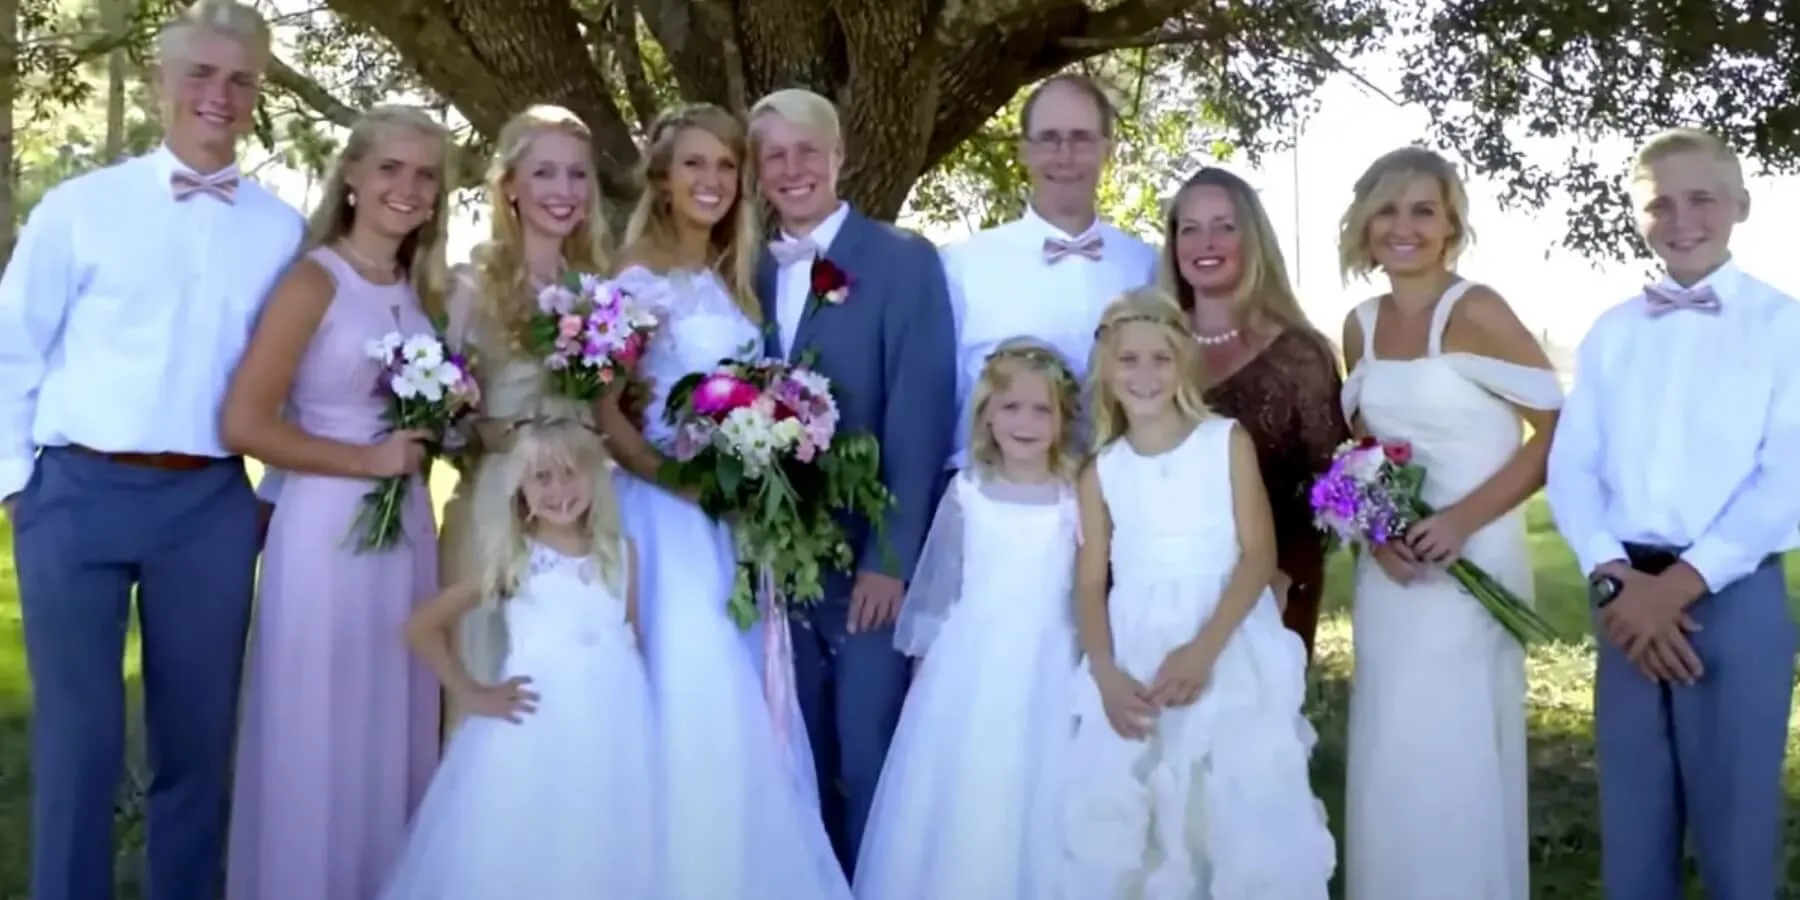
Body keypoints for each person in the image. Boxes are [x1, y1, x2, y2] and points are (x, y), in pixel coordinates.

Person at [0, 3, 303, 897]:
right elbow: (12, 346)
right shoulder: (81, 209)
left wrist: (268, 497)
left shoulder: (281, 232)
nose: (220, 94)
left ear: (257, 95)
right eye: (202, 74)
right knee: (80, 740)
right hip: (74, 496)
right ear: (166, 83)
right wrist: (20, 485)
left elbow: (296, 382)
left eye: (241, 79)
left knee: (198, 742)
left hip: (210, 504)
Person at [593, 102, 851, 900]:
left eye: (726, 167)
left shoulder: (737, 277)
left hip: (734, 527)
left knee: (743, 693)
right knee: (692, 687)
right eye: (694, 165)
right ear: (662, 180)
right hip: (664, 517)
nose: (712, 181)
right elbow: (603, 409)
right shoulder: (635, 271)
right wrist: (676, 481)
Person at [1547, 127, 1800, 900]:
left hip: (1733, 596)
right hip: (1623, 599)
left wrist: (1680, 584)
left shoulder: (1785, 327)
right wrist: (1614, 577)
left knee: (1737, 831)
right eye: (1660, 203)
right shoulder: (1613, 331)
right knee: (1634, 825)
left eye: (1702, 199)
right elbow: (1572, 469)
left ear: (1741, 207)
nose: (1681, 219)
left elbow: (1785, 478)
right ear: (1637, 214)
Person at [220, 104, 452, 900]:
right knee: (320, 731)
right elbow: (244, 422)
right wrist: (366, 459)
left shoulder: (420, 289)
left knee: (391, 726)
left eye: (425, 175)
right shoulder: (315, 279)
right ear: (351, 175)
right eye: (390, 167)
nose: (407, 187)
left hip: (406, 532)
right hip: (327, 533)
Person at [1336, 146, 1562, 900]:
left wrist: (1461, 522)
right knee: (1390, 744)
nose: (1404, 227)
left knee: (1453, 750)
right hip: (1392, 573)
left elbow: (1558, 436)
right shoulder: (1358, 327)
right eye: (1388, 210)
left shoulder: (1478, 310)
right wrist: (1376, 529)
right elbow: (1367, 450)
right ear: (1366, 225)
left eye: (1423, 210)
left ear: (1451, 225)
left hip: (1473, 562)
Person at [1063, 288, 1332, 898]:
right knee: (1143, 807)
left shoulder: (1224, 442)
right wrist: (1104, 669)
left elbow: (1258, 556)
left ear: (1182, 362)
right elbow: (1089, 580)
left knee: (1229, 801)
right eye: (1128, 360)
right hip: (1137, 646)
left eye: (1160, 358)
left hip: (1224, 639)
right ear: (1106, 368)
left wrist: (1202, 651)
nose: (1145, 374)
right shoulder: (1101, 469)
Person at [750, 87, 959, 875]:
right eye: (775, 155)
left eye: (809, 150)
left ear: (840, 157)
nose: (793, 168)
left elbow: (920, 413)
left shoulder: (904, 260)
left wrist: (892, 558)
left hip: (867, 564)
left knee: (870, 753)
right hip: (772, 567)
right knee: (791, 755)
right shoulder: (741, 268)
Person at [380, 416, 656, 899]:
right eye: (542, 478)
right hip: (537, 729)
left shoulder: (622, 555)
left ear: (595, 476)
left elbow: (630, 638)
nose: (559, 490)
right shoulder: (516, 560)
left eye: (571, 473)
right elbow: (420, 627)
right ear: (521, 491)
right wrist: (470, 692)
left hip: (617, 729)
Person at [854, 338, 1082, 900]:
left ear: (1062, 418)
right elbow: (938, 589)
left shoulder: (1076, 493)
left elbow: (1088, 584)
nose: (1025, 422)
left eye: (1040, 410)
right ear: (985, 415)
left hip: (1049, 658)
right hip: (970, 666)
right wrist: (924, 676)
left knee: (1043, 788)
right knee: (966, 791)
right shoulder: (969, 490)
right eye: (1010, 407)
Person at [439, 103, 612, 734]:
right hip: (498, 505)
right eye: (545, 174)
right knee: (500, 681)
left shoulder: (599, 289)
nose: (564, 192)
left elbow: (613, 406)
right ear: (510, 184)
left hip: (582, 505)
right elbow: (442, 416)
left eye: (577, 175)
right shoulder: (469, 285)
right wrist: (488, 431)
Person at [1163, 166, 1349, 659]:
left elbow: (1331, 487)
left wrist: (1285, 574)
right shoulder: (1146, 344)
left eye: (1225, 226)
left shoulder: (1299, 355)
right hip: (1157, 592)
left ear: (1254, 240)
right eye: (1190, 228)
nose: (1206, 241)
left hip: (1267, 594)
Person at [940, 73, 1157, 469]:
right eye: (1049, 138)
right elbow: (937, 400)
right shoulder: (961, 265)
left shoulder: (1147, 265)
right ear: (1023, 150)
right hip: (998, 504)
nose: (1065, 155)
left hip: (1122, 502)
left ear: (1107, 149)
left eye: (1081, 138)